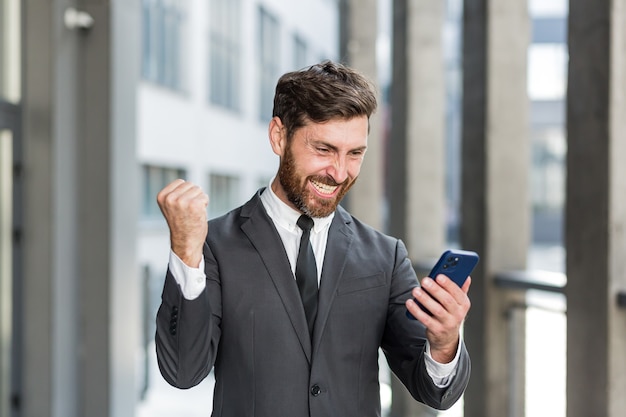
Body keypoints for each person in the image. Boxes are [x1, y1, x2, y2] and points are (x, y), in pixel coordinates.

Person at [155, 60, 471, 417]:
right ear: (279, 136)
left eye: (354, 154)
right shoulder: (214, 246)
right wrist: (185, 250)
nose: (338, 173)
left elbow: (435, 393)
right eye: (323, 149)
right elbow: (183, 371)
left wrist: (445, 342)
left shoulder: (386, 255)